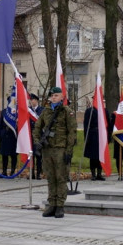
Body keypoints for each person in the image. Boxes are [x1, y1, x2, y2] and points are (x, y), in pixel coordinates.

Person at [34, 86, 77, 218]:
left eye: (56, 95)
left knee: (61, 177)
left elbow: (72, 132)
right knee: (51, 177)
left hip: (60, 149)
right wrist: (37, 141)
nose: (53, 98)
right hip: (47, 149)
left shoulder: (67, 111)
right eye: (52, 96)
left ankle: (60, 205)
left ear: (62, 97)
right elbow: (37, 127)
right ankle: (52, 204)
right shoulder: (46, 111)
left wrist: (69, 150)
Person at [83, 102, 111, 180]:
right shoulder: (89, 111)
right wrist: (86, 138)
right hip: (93, 135)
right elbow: (86, 125)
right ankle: (93, 174)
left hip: (102, 135)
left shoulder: (104, 111)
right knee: (93, 156)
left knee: (101, 155)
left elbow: (108, 124)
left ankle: (99, 173)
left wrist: (108, 137)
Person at [0, 101, 18, 176]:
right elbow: (0, 124)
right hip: (5, 135)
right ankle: (4, 171)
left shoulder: (17, 112)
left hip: (13, 136)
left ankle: (12, 171)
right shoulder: (4, 111)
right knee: (4, 155)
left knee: (13, 155)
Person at [29, 94, 43, 179]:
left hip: (38, 135)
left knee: (38, 155)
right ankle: (32, 173)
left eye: (33, 100)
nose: (31, 101)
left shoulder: (41, 110)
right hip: (30, 135)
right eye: (31, 100)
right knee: (31, 155)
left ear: (37, 100)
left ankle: (38, 173)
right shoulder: (28, 110)